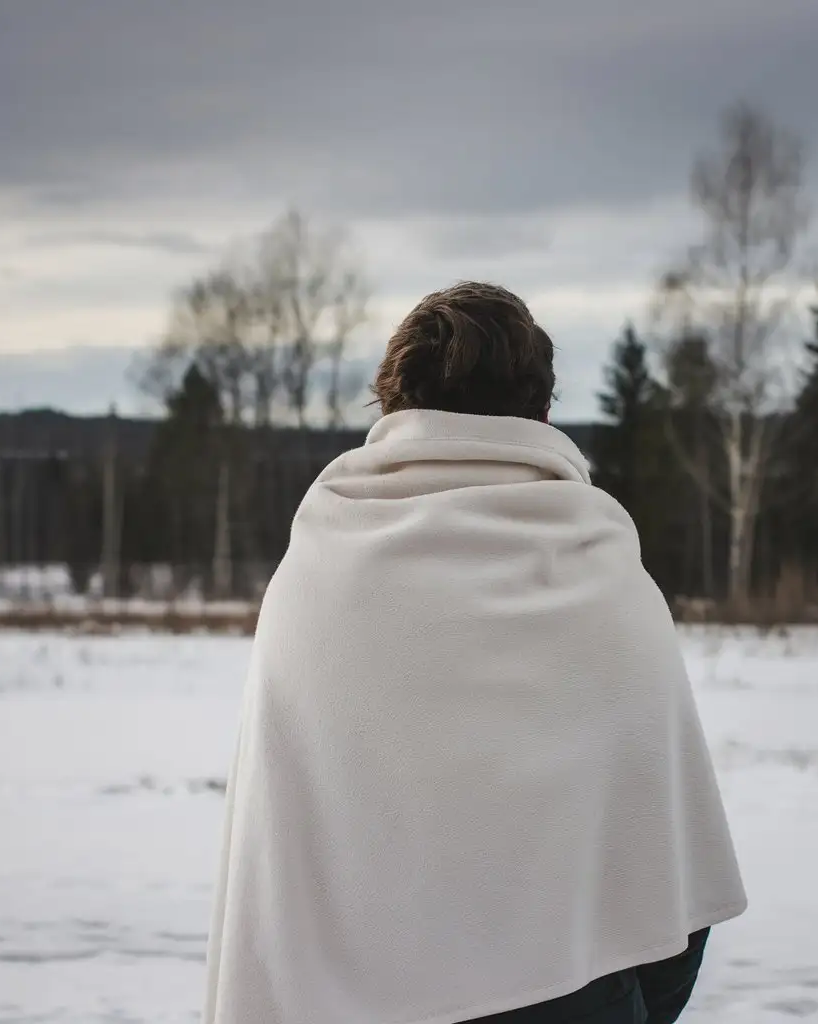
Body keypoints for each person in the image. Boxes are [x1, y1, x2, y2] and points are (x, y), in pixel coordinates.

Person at [203, 282, 747, 1024]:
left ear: (392, 406)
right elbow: (672, 890)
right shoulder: (603, 573)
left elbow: (271, 877)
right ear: (542, 409)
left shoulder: (316, 574)